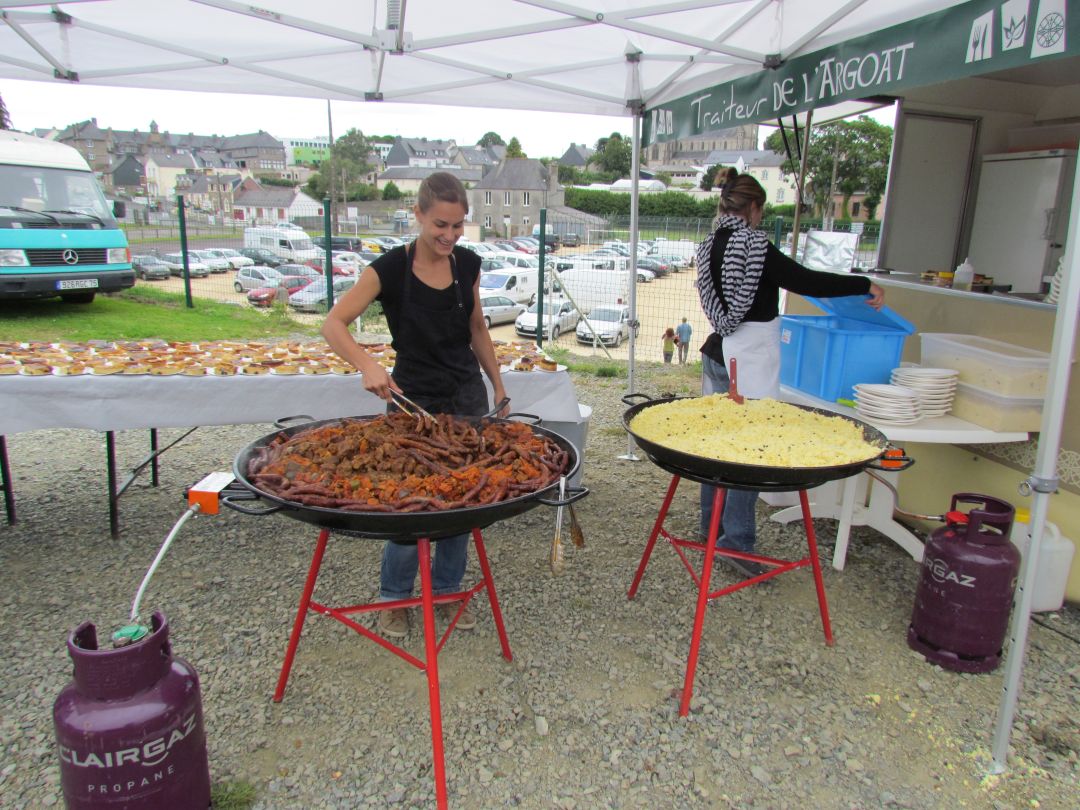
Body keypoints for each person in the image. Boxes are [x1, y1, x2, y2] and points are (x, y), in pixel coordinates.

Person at [322, 172, 510, 637]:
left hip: (465, 394)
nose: (449, 236)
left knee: (464, 498)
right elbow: (333, 325)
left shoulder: (468, 263)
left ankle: (446, 590)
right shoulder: (387, 269)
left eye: (457, 226)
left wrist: (498, 384)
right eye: (440, 225)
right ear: (419, 216)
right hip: (411, 399)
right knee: (407, 502)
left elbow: (477, 329)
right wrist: (367, 364)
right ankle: (395, 597)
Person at [696, 167, 884, 578]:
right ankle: (736, 542)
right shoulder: (755, 247)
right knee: (748, 452)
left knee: (712, 445)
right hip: (749, 357)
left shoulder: (709, 244)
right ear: (755, 208)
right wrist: (863, 284)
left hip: (717, 350)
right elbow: (807, 281)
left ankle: (707, 526)